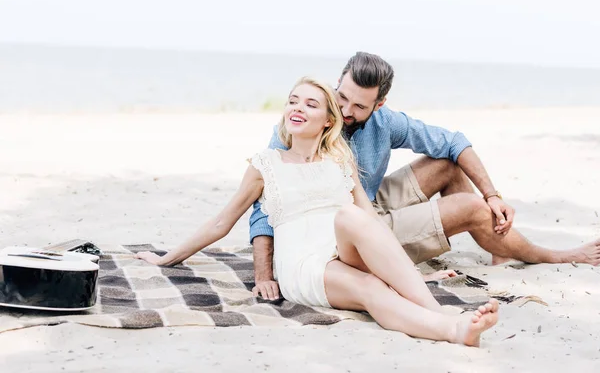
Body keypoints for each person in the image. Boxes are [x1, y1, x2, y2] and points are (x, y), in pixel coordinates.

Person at [135, 76, 499, 347]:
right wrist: (167, 258)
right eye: (293, 101)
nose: (297, 108)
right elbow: (221, 221)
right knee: (370, 288)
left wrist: (405, 276)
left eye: (310, 104)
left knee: (354, 216)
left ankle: (429, 303)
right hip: (303, 264)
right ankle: (453, 328)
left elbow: (370, 226)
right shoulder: (266, 164)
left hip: (343, 249)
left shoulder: (340, 159)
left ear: (328, 120)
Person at [250, 52, 600, 301]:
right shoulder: (303, 121)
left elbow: (454, 142)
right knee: (472, 209)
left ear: (380, 104)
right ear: (337, 83)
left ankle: (498, 247)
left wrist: (493, 194)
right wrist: (264, 274)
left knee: (449, 163)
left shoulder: (385, 122)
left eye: (359, 106)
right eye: (342, 98)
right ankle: (553, 254)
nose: (345, 111)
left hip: (367, 201)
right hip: (342, 232)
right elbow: (266, 204)